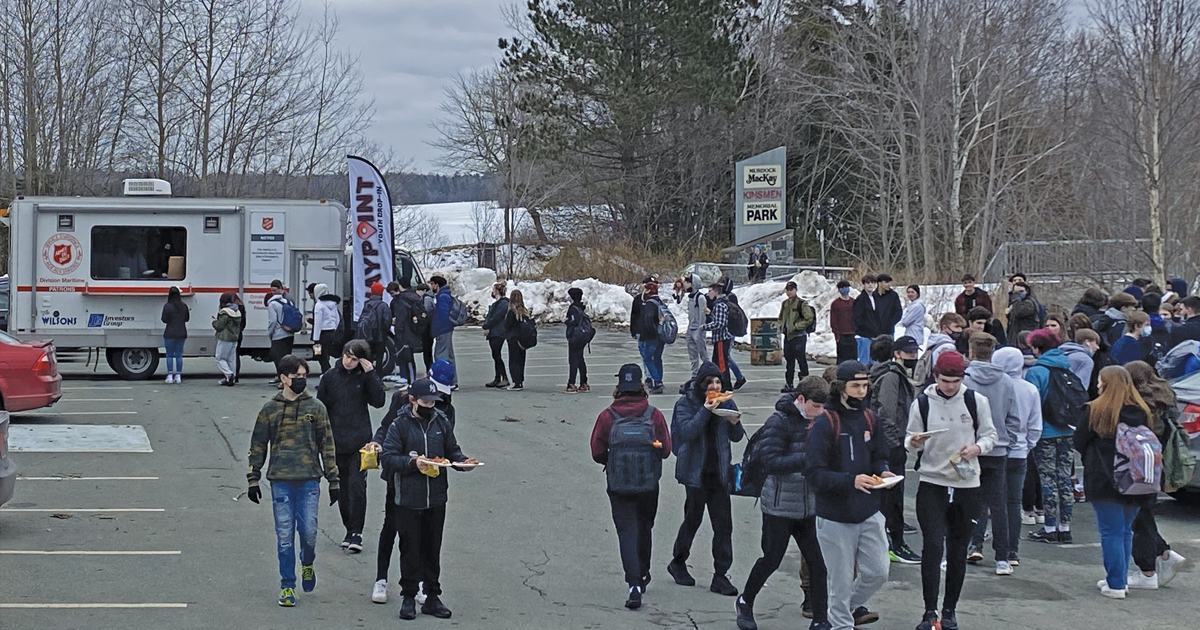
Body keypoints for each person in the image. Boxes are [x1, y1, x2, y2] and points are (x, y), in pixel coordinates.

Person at [905, 351, 997, 630]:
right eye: (945, 381)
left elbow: (990, 435)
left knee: (958, 550)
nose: (950, 386)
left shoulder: (975, 401)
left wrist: (978, 448)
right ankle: (929, 611)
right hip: (932, 482)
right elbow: (908, 439)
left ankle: (950, 610)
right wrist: (915, 442)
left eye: (955, 381)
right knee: (932, 546)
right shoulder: (922, 403)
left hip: (966, 483)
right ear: (936, 377)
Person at [736, 376, 832, 630]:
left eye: (825, 407)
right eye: (816, 407)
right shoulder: (779, 422)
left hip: (809, 506)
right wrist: (807, 459)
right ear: (801, 400)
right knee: (771, 559)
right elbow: (771, 461)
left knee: (818, 564)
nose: (821, 413)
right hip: (779, 505)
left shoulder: (821, 422)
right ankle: (745, 601)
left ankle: (821, 619)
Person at [804, 361, 893, 630]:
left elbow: (880, 455)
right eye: (856, 386)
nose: (861, 392)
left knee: (878, 571)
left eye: (865, 385)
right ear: (841, 388)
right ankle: (841, 623)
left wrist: (884, 472)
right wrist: (850, 480)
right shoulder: (825, 423)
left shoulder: (869, 418)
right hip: (834, 516)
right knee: (839, 581)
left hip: (868, 510)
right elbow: (814, 474)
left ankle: (840, 610)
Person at [246, 354, 339, 607]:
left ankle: (307, 562)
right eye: (296, 376)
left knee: (308, 531)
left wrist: (333, 479)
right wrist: (253, 478)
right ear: (284, 378)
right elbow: (258, 444)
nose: (301, 381)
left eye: (304, 376)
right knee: (285, 534)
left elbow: (327, 444)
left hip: (309, 479)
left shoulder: (316, 407)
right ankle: (287, 585)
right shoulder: (270, 409)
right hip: (281, 480)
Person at [380, 378, 477, 620]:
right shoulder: (399, 424)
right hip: (408, 497)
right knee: (410, 548)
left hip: (435, 497)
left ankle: (432, 596)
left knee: (432, 549)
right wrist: (413, 463)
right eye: (425, 401)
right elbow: (389, 458)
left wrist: (462, 462)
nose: (430, 406)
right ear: (412, 400)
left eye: (433, 402)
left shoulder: (441, 421)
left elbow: (451, 450)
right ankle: (409, 596)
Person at [591, 364, 672, 610]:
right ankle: (644, 572)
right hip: (648, 483)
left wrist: (612, 460)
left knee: (626, 531)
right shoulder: (653, 414)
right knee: (645, 526)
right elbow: (666, 450)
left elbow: (596, 451)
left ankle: (633, 583)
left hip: (619, 483)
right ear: (641, 386)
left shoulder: (608, 416)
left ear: (619, 388)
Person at [1076, 366, 1156, 599]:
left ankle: (1116, 583)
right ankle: (1119, 578)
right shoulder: (1143, 411)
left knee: (1110, 531)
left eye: (1101, 381)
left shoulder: (1095, 409)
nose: (1098, 385)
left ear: (1106, 384)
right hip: (1138, 478)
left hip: (1104, 477)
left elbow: (1079, 441)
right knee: (1124, 531)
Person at [668, 362, 743, 597]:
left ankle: (720, 575)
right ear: (700, 385)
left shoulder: (726, 402)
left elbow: (737, 437)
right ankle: (678, 562)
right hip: (695, 474)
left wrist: (735, 422)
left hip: (719, 474)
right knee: (693, 519)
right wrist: (706, 410)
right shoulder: (685, 404)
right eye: (710, 382)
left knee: (724, 526)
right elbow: (686, 432)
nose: (714, 386)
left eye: (718, 382)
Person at [315, 339, 385, 553]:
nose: (348, 361)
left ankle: (357, 532)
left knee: (357, 487)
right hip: (335, 441)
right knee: (341, 489)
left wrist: (371, 374)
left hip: (360, 442)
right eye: (347, 356)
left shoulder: (364, 377)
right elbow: (321, 408)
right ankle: (349, 528)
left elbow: (379, 401)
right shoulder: (329, 377)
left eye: (354, 359)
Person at [1124, 361, 1188, 590]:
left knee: (1138, 516)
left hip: (1139, 467)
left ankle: (1147, 571)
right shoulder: (1164, 399)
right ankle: (1164, 553)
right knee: (1143, 513)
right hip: (1158, 465)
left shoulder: (1140, 406)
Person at [961, 333, 1019, 574]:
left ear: (971, 352)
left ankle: (969, 544)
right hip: (998, 449)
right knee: (999, 505)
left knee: (965, 502)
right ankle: (1002, 557)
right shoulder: (1006, 381)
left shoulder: (964, 381)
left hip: (969, 449)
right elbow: (1013, 417)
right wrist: (1007, 441)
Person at [868, 335, 921, 564]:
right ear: (896, 353)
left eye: (915, 352)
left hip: (893, 441)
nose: (913, 356)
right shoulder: (891, 377)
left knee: (889, 498)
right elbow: (886, 413)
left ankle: (889, 541)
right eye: (908, 352)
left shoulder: (893, 374)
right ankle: (895, 544)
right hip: (891, 444)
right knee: (892, 497)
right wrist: (894, 444)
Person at [1024, 329, 1077, 544]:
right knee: (1064, 479)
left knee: (1048, 480)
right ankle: (1065, 527)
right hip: (1067, 430)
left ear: (1036, 348)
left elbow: (1031, 405)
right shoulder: (1066, 368)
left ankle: (1049, 527)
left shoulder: (1037, 372)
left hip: (1045, 432)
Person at [993, 347, 1042, 567]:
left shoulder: (994, 386)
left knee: (991, 501)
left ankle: (980, 545)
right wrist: (1026, 445)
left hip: (994, 450)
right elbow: (1035, 425)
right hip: (1020, 451)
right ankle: (1012, 550)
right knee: (1014, 502)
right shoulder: (1029, 389)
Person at [779, 281, 815, 393]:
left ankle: (805, 384)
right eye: (787, 290)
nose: (789, 292)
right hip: (788, 336)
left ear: (795, 290)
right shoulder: (785, 303)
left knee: (801, 360)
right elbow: (781, 317)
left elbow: (809, 318)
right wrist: (781, 326)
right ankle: (789, 383)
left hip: (798, 336)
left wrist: (797, 326)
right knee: (789, 361)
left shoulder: (801, 304)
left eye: (791, 289)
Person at [390, 279, 427, 385]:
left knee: (407, 359)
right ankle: (411, 380)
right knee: (409, 358)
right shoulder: (413, 297)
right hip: (412, 331)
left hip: (405, 332)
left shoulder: (401, 301)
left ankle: (411, 382)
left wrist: (396, 328)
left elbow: (401, 320)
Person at [634, 279, 666, 394]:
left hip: (650, 337)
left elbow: (647, 322)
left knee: (648, 359)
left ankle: (656, 381)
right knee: (657, 358)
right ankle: (659, 379)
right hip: (660, 336)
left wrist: (644, 334)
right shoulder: (660, 302)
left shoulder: (649, 304)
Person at [704, 282, 736, 391]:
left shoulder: (719, 305)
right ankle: (723, 383)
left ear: (716, 292)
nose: (708, 294)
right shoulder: (722, 303)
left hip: (721, 338)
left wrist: (705, 327)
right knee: (717, 362)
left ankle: (726, 385)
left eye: (710, 291)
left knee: (722, 363)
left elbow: (719, 323)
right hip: (720, 339)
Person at [429, 276, 458, 388]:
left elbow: (442, 315)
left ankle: (444, 381)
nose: (431, 286)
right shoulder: (445, 295)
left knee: (441, 356)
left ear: (437, 284)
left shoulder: (442, 297)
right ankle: (453, 381)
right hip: (446, 329)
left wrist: (436, 329)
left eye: (432, 284)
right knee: (449, 356)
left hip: (443, 330)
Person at [357, 282, 392, 374]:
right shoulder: (383, 306)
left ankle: (367, 378)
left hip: (367, 336)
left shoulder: (366, 304)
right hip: (380, 337)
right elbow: (387, 321)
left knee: (368, 358)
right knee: (379, 359)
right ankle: (378, 380)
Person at [481, 282, 510, 389]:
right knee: (495, 355)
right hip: (494, 332)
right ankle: (498, 377)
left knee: (497, 355)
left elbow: (497, 317)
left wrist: (487, 325)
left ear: (497, 291)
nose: (492, 292)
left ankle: (504, 377)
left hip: (499, 332)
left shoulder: (502, 303)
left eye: (493, 290)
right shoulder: (497, 303)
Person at [502, 289, 533, 392]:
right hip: (523, 340)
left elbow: (507, 325)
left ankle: (516, 382)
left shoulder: (512, 312)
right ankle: (520, 380)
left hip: (514, 339)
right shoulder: (524, 311)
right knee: (521, 360)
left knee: (513, 361)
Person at [267, 280, 297, 383]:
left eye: (274, 290)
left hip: (278, 335)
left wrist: (269, 333)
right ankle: (286, 378)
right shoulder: (289, 301)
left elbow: (273, 321)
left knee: (278, 358)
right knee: (286, 358)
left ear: (281, 288)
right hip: (289, 333)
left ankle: (282, 380)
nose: (273, 292)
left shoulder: (272, 304)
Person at [310, 283, 342, 375]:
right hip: (331, 332)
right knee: (326, 355)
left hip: (322, 334)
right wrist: (333, 329)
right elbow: (337, 319)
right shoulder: (333, 304)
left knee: (320, 356)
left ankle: (326, 375)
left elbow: (318, 323)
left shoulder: (319, 305)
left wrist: (316, 338)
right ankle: (328, 374)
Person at [212, 292, 242, 386]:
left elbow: (219, 326)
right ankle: (232, 376)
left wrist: (214, 322)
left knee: (219, 358)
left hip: (225, 338)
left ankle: (229, 375)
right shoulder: (237, 311)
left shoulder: (224, 312)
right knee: (231, 359)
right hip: (234, 338)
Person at [161, 286, 189, 383]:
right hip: (181, 332)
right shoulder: (184, 306)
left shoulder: (167, 306)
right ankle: (178, 376)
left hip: (169, 333)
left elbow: (164, 319)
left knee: (169, 355)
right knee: (178, 355)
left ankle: (169, 375)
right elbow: (187, 319)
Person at [564, 287, 590, 392]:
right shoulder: (581, 307)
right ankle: (584, 382)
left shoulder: (573, 308)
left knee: (573, 360)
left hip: (575, 336)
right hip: (582, 336)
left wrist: (566, 321)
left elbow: (574, 321)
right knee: (580, 359)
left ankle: (571, 383)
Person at [852, 274, 881, 365]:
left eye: (872, 283)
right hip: (864, 335)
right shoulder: (860, 299)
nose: (870, 285)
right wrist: (866, 329)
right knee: (864, 361)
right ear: (864, 284)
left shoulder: (876, 298)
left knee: (874, 360)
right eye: (867, 283)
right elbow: (857, 318)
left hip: (875, 334)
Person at [684, 273, 708, 377]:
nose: (685, 285)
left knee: (703, 354)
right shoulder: (690, 297)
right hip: (691, 329)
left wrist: (700, 329)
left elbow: (702, 316)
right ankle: (695, 375)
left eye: (687, 283)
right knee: (692, 355)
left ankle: (708, 372)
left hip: (698, 330)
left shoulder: (700, 298)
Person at [1006, 282, 1041, 346]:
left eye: (1021, 291)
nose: (1018, 294)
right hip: (1016, 337)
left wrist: (1015, 297)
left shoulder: (1029, 303)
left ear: (1027, 291)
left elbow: (1019, 311)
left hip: (1026, 338)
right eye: (1016, 292)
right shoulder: (1017, 302)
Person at [831, 280, 857, 364]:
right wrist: (837, 335)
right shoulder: (836, 303)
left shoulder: (853, 302)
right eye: (842, 288)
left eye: (846, 287)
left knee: (853, 358)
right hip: (842, 335)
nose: (845, 289)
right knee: (842, 359)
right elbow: (833, 320)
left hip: (853, 334)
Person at [874, 274, 903, 340]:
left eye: (889, 282)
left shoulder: (893, 295)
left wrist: (890, 323)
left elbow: (898, 312)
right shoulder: (873, 295)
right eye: (886, 282)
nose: (888, 284)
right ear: (879, 283)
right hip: (874, 332)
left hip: (888, 331)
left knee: (889, 349)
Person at [418, 283, 436, 371]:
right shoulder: (430, 297)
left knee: (427, 351)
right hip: (429, 328)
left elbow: (426, 312)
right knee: (428, 350)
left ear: (424, 291)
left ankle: (429, 369)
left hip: (427, 328)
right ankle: (429, 368)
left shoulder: (427, 299)